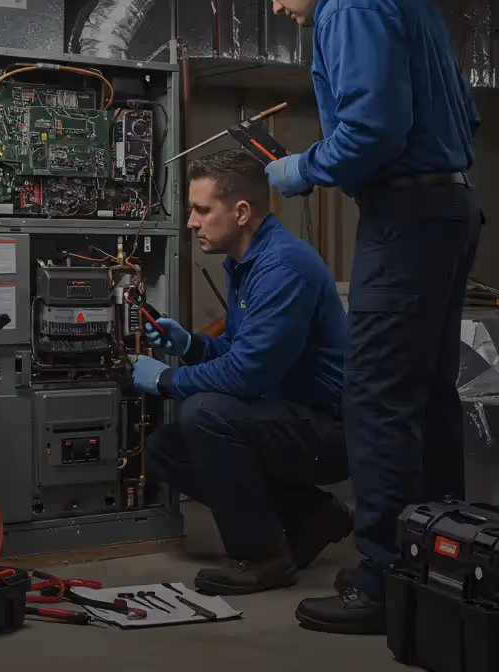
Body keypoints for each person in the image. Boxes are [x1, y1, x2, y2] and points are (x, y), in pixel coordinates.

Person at [252, 0, 483, 634]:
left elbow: (373, 131)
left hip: (404, 215)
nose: (277, 7)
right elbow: (462, 116)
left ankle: (384, 578)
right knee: (428, 393)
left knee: (377, 394)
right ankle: (443, 563)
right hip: (449, 207)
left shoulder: (349, 4)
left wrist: (302, 169)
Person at [129, 148, 351, 597]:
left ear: (242, 211)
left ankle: (262, 557)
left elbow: (249, 376)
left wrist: (166, 380)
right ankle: (311, 516)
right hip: (285, 415)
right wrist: (191, 345)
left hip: (332, 430)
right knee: (164, 449)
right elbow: (240, 351)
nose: (191, 222)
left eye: (201, 210)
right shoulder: (245, 262)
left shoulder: (282, 266)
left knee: (204, 413)